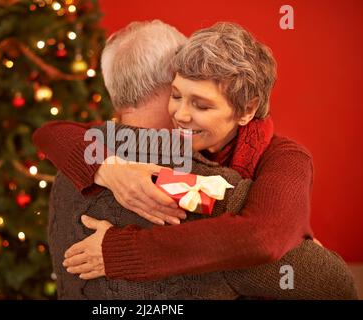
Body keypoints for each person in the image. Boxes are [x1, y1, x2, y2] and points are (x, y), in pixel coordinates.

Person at [34, 21, 357, 299]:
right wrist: (110, 169)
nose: (182, 114)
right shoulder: (145, 151)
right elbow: (51, 133)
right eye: (176, 96)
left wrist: (122, 251)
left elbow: (264, 237)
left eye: (202, 106)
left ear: (246, 110)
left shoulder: (284, 159)